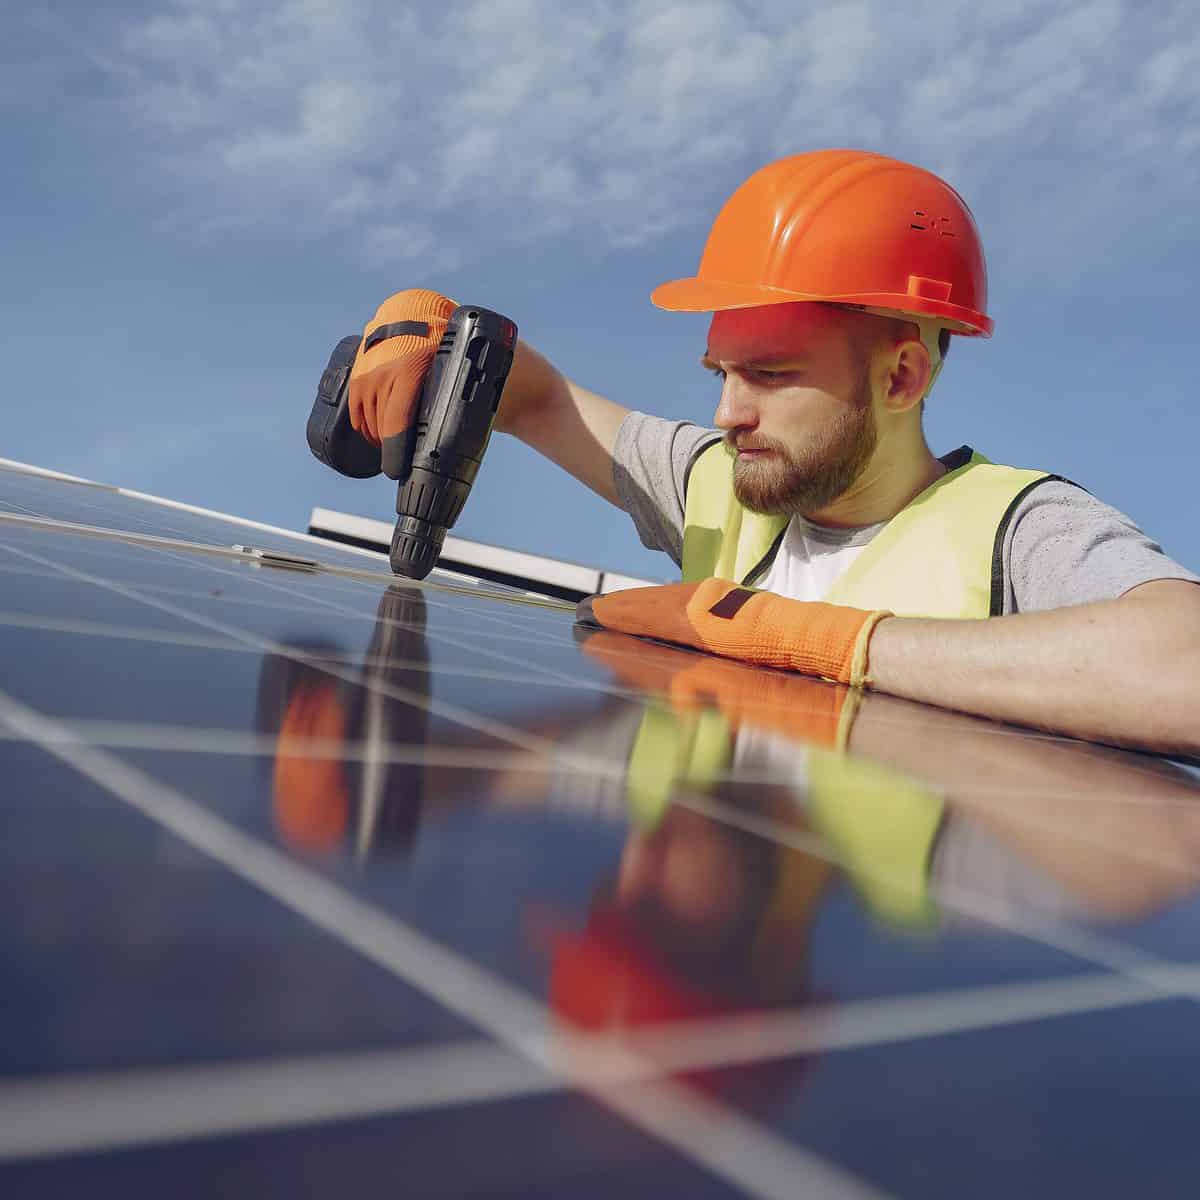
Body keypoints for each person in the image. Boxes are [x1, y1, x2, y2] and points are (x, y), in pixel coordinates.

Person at [347, 149, 1200, 756]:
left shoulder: (1014, 530)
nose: (727, 413)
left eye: (772, 374)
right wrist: (425, 321)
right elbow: (529, 394)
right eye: (720, 371)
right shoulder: (721, 484)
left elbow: (1185, 667)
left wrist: (806, 641)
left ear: (901, 377)